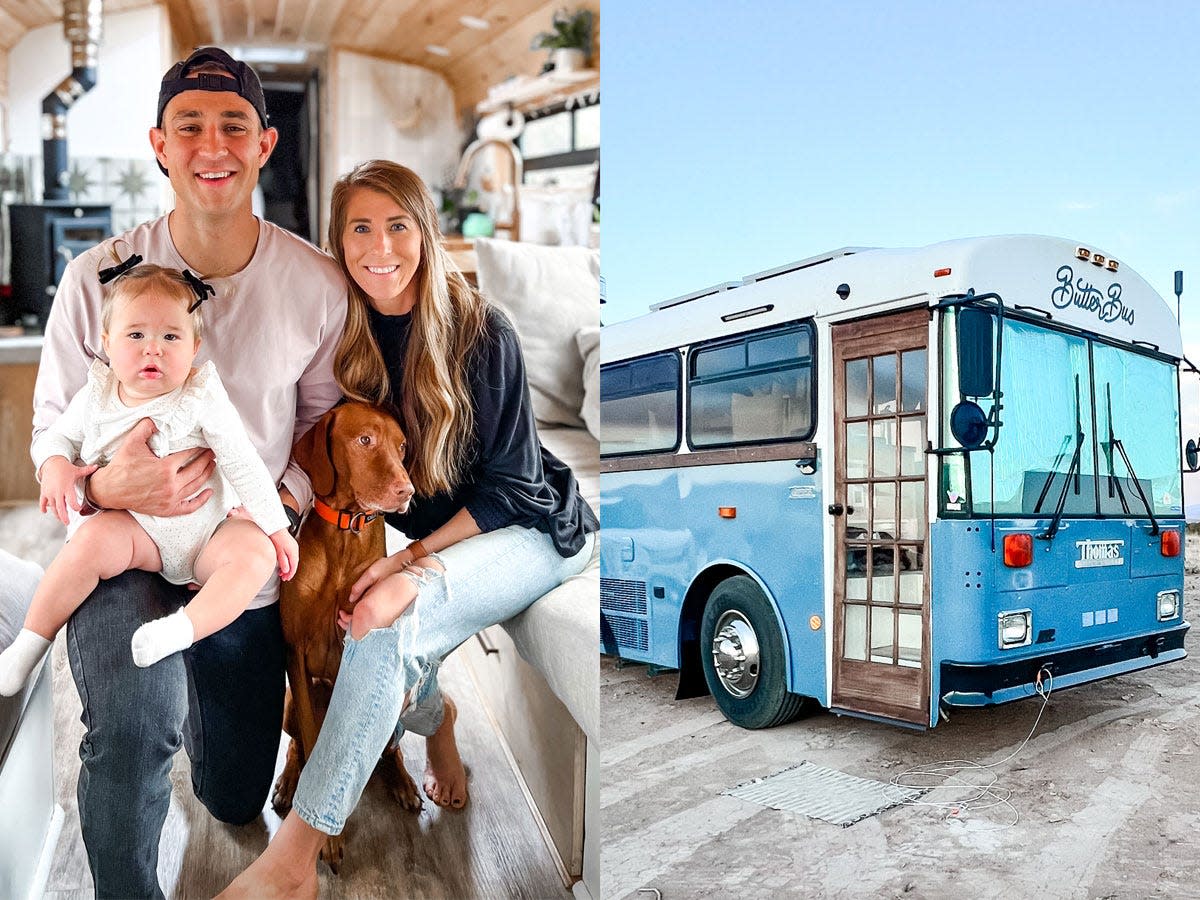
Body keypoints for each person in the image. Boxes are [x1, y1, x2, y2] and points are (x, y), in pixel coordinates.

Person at [221, 159, 599, 898]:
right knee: (366, 622)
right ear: (338, 242)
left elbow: (516, 489)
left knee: (384, 620)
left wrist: (411, 562)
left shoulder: (482, 330)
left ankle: (293, 857)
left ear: (424, 234)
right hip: (452, 535)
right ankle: (438, 715)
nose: (379, 246)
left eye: (397, 225)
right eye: (359, 228)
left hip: (536, 531)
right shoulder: (351, 342)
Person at [32, 47, 347, 899]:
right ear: (158, 145)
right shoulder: (91, 279)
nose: (213, 145)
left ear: (266, 144)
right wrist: (102, 488)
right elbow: (49, 429)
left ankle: (195, 701)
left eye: (233, 126)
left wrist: (274, 504)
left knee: (236, 797)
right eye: (190, 127)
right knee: (135, 729)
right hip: (122, 546)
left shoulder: (316, 284)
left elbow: (321, 423)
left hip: (234, 561)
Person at [1, 265, 299, 698]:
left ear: (195, 347)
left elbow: (242, 460)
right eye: (136, 336)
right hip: (137, 533)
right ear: (107, 344)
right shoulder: (97, 395)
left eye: (170, 338)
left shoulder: (201, 396)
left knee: (255, 554)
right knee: (86, 545)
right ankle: (30, 643)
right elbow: (57, 436)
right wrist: (57, 465)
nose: (152, 351)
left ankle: (181, 630)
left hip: (208, 530)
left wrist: (276, 527)